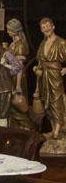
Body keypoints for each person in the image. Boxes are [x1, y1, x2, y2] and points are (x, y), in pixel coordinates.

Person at [33, 15, 66, 150]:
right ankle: (53, 129)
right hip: (44, 77)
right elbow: (40, 61)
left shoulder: (61, 42)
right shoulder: (42, 44)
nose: (46, 28)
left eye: (48, 25)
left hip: (55, 75)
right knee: (46, 102)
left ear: (53, 26)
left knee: (56, 101)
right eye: (43, 27)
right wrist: (37, 68)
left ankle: (58, 130)